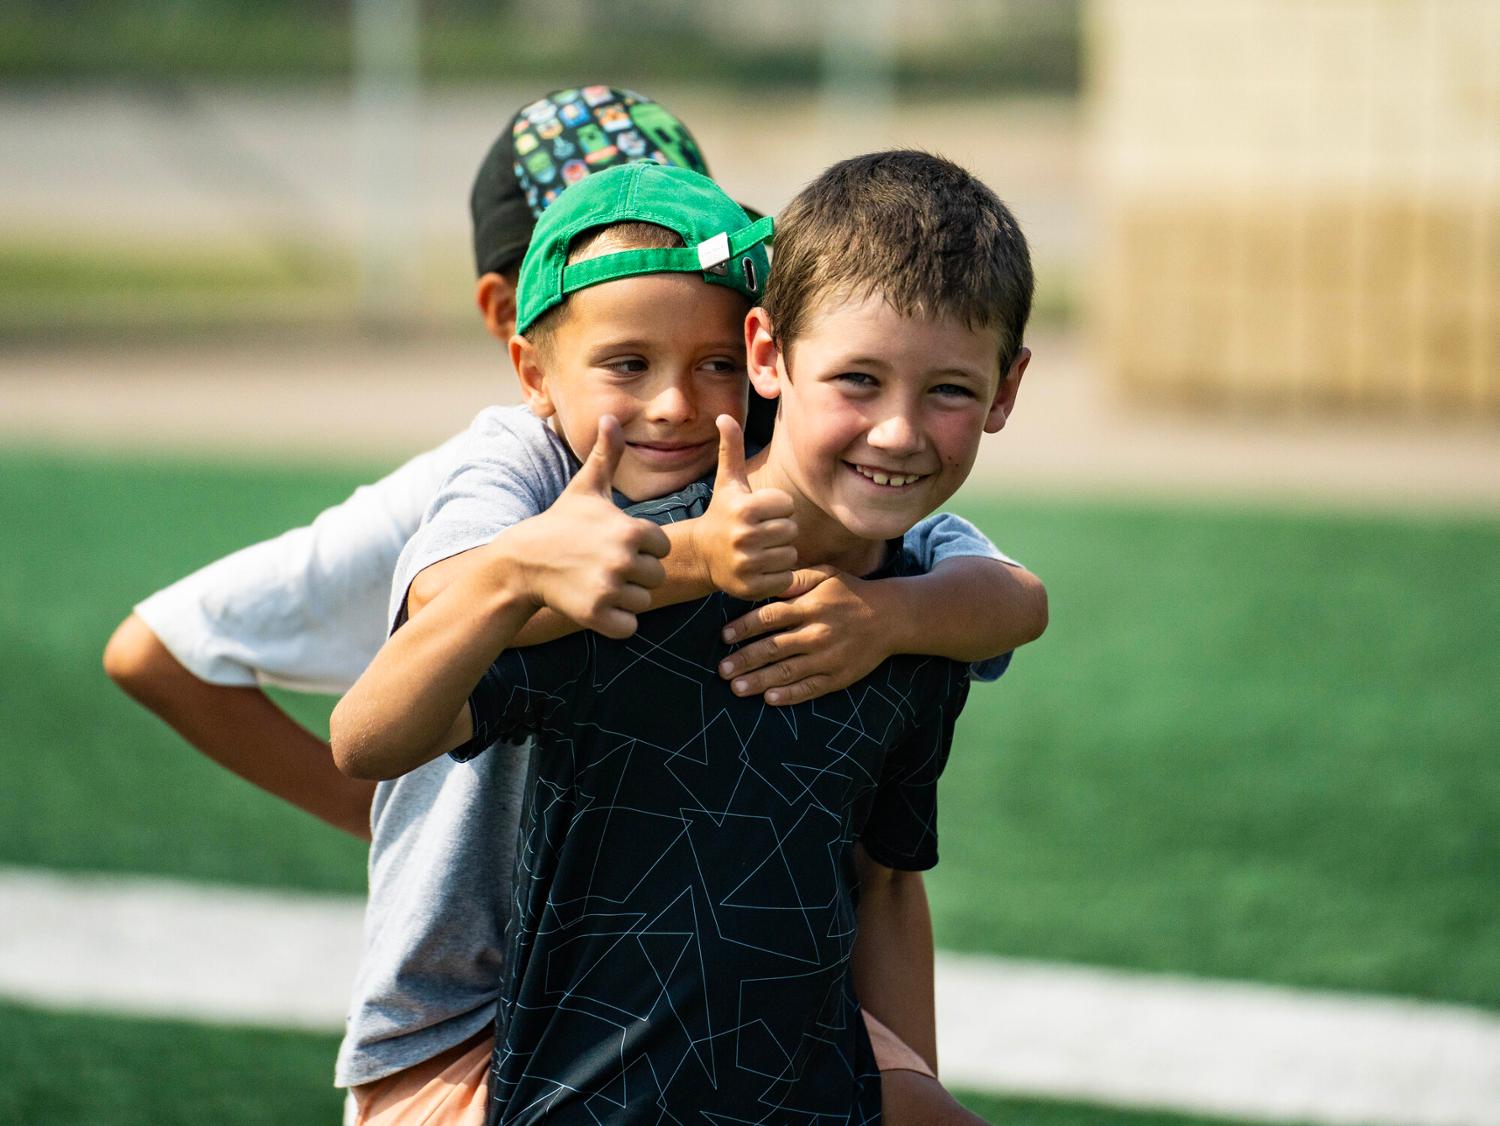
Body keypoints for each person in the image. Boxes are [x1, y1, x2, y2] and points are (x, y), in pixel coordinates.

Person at [101, 90, 1044, 1121]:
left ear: (760, 347)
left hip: (729, 1007)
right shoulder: (510, 472)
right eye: (626, 355)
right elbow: (407, 654)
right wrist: (631, 565)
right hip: (474, 1016)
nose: (677, 402)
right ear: (523, 341)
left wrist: (893, 619)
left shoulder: (854, 520)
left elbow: (1001, 601)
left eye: (715, 356)